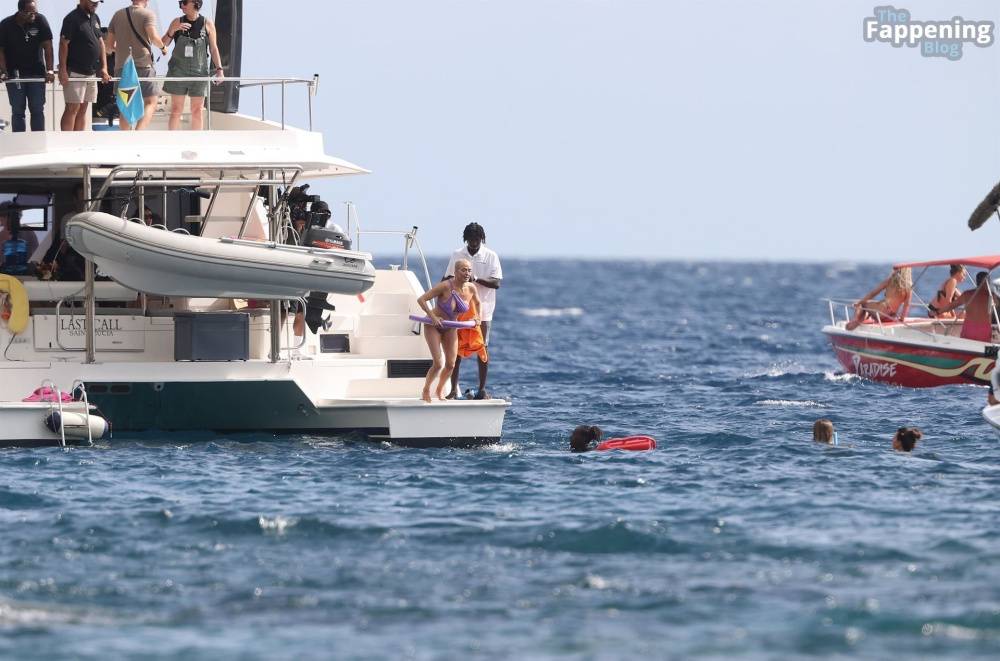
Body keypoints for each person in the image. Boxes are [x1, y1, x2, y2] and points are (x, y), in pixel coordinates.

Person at [445, 222, 502, 399]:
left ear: (482, 239)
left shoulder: (490, 256)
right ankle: (453, 389)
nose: (473, 243)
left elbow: (496, 283)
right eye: (470, 240)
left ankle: (482, 389)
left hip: (483, 311)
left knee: (482, 348)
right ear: (466, 239)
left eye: (477, 240)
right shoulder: (457, 254)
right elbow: (447, 278)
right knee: (456, 348)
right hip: (460, 310)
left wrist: (476, 279)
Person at [416, 258, 480, 403]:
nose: (467, 273)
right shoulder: (444, 286)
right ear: (456, 272)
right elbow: (421, 299)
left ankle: (439, 390)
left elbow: (477, 302)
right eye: (463, 270)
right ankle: (426, 389)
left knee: (451, 364)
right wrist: (432, 317)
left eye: (469, 270)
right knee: (438, 363)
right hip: (434, 326)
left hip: (451, 327)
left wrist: (477, 317)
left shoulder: (471, 288)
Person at [160, 0, 223, 131]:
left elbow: (213, 49)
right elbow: (162, 44)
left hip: (199, 72)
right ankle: (172, 142)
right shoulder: (177, 21)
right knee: (176, 109)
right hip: (178, 71)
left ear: (196, 3)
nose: (181, 5)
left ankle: (196, 143)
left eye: (184, 2)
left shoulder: (207, 23)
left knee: (197, 110)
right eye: (180, 3)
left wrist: (219, 70)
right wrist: (172, 30)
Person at [106, 0, 166, 130]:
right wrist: (163, 47)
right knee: (151, 101)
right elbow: (154, 37)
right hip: (143, 65)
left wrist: (121, 49)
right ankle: (138, 135)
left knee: (125, 104)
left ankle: (125, 139)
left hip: (123, 67)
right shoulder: (147, 14)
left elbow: (109, 47)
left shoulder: (117, 15)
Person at [0, 1, 54, 132]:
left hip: (36, 74)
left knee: (37, 109)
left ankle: (38, 142)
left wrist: (50, 69)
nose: (34, 15)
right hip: (15, 75)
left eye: (35, 11)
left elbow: (48, 47)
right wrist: (3, 71)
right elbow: (0, 50)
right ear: (21, 12)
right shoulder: (6, 24)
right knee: (18, 111)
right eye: (31, 13)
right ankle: (19, 145)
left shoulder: (40, 20)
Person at [58, 0, 110, 132]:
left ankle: (78, 141)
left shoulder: (95, 17)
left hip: (91, 72)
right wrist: (63, 70)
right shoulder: (71, 18)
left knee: (83, 109)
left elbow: (101, 42)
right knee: (72, 108)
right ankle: (67, 142)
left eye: (98, 2)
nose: (96, 4)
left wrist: (104, 68)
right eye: (93, 2)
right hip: (75, 71)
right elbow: (63, 44)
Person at [933, 271, 998, 342]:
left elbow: (951, 306)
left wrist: (937, 312)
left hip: (969, 328)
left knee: (966, 348)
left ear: (977, 281)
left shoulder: (967, 294)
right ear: (988, 282)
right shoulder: (992, 296)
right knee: (981, 350)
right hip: (983, 329)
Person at [846, 267, 912, 331]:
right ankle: (861, 319)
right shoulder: (908, 287)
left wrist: (859, 303)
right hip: (892, 316)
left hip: (882, 310)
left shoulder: (890, 280)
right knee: (870, 310)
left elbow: (873, 293)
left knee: (863, 305)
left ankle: (855, 320)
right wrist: (902, 319)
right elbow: (906, 305)